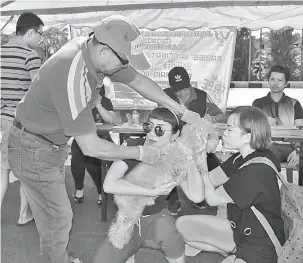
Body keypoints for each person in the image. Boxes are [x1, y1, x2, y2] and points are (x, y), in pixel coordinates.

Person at [7, 15, 200, 263]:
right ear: (106, 52)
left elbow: (139, 81)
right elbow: (90, 146)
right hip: (33, 147)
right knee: (57, 218)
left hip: (48, 145)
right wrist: (141, 152)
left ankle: (61, 256)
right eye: (124, 62)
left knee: (55, 217)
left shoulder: (97, 53)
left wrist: (181, 110)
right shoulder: (73, 77)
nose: (124, 69)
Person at [93, 107, 204, 263]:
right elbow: (109, 185)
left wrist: (190, 157)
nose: (152, 133)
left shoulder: (175, 158)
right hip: (128, 222)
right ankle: (131, 253)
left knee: (167, 232)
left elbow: (197, 196)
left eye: (160, 130)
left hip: (158, 219)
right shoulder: (134, 147)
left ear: (175, 135)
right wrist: (149, 192)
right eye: (149, 126)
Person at [176, 106, 285, 263]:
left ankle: (240, 257)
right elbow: (210, 181)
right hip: (239, 231)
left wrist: (198, 161)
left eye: (229, 129)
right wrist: (190, 158)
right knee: (182, 227)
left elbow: (211, 199)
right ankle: (234, 253)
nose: (224, 133)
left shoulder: (255, 171)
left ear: (247, 137)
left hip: (262, 245)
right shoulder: (242, 157)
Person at [1, 12, 44, 226]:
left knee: (3, 168)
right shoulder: (30, 55)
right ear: (31, 31)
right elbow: (38, 90)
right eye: (40, 34)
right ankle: (23, 215)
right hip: (24, 121)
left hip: (5, 118)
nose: (39, 40)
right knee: (26, 170)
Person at [164, 66, 225, 212]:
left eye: (185, 88)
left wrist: (211, 118)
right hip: (173, 142)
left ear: (189, 83)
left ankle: (201, 195)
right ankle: (173, 198)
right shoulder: (164, 96)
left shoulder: (202, 96)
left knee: (214, 164)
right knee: (169, 160)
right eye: (177, 89)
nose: (182, 92)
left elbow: (220, 116)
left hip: (196, 144)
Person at [252, 65, 303, 174]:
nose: (275, 83)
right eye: (272, 79)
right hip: (266, 146)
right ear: (268, 81)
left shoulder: (294, 104)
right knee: (266, 155)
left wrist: (298, 151)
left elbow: (300, 131)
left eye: (280, 80)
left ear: (285, 84)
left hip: (291, 147)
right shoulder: (258, 103)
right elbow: (252, 128)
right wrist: (264, 122)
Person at [71, 84, 115, 204]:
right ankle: (79, 188)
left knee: (94, 162)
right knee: (77, 159)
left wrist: (98, 104)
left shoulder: (105, 101)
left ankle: (101, 191)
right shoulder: (78, 101)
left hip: (102, 137)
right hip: (82, 136)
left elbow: (111, 120)